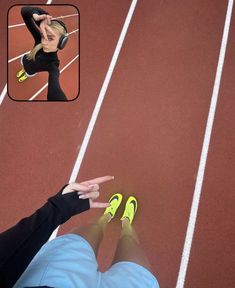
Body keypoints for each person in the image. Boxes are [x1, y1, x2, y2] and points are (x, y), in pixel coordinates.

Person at [13, 192, 159, 287]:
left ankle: (108, 217)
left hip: (50, 279)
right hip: (55, 278)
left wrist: (55, 208)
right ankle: (125, 222)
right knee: (131, 248)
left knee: (91, 231)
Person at [0, 176, 113, 288]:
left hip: (49, 277)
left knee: (87, 234)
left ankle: (107, 218)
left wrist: (59, 207)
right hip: (57, 276)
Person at [16, 6, 69, 101]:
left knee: (26, 72)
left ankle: (24, 74)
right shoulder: (39, 39)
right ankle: (23, 71)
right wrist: (40, 16)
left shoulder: (53, 64)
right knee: (23, 67)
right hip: (25, 60)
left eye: (50, 38)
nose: (44, 42)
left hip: (31, 72)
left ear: (61, 43)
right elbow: (24, 11)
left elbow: (55, 91)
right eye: (43, 36)